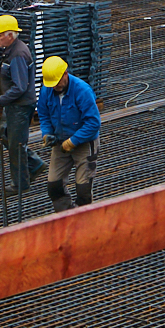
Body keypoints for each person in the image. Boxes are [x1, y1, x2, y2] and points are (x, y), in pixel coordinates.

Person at [0, 15, 41, 192]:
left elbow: (20, 87)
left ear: (10, 35)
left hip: (20, 107)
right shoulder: (11, 50)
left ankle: (20, 184)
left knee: (17, 145)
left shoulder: (17, 55)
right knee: (6, 136)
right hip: (13, 105)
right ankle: (35, 164)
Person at [36, 54, 101, 211]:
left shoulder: (82, 91)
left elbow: (93, 123)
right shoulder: (47, 90)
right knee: (54, 185)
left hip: (84, 142)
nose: (55, 87)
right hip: (60, 142)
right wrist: (46, 133)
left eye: (58, 83)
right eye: (52, 84)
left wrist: (73, 141)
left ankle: (83, 220)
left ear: (65, 74)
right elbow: (43, 115)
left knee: (83, 189)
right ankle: (66, 216)